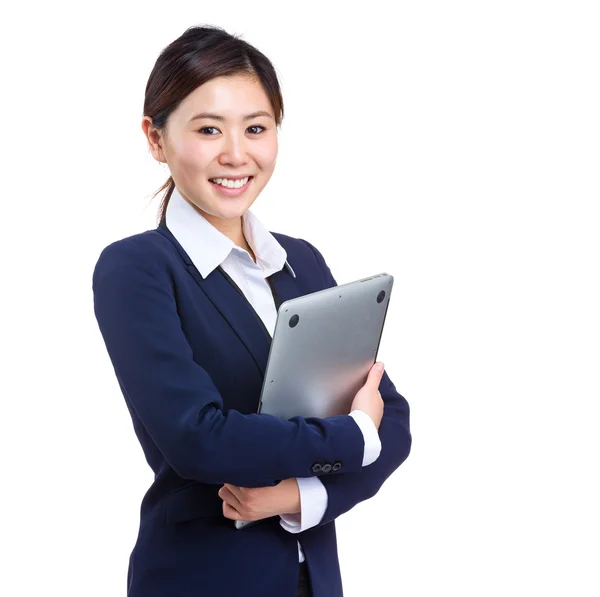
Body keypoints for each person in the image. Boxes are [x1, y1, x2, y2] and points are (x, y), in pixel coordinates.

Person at [92, 24, 412, 597]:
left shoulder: (301, 263)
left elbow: (396, 421)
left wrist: (296, 496)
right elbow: (198, 438)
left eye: (256, 128)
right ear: (156, 139)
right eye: (208, 129)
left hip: (312, 582)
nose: (236, 154)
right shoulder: (137, 269)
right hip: (199, 579)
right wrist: (352, 436)